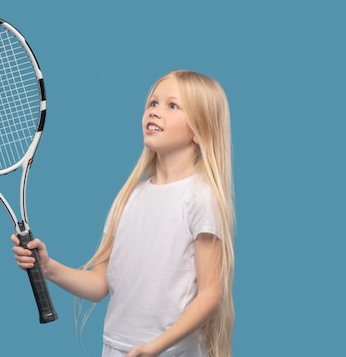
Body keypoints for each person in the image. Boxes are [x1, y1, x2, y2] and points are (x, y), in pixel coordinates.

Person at [12, 70, 235, 357]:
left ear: (198, 130)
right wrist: (48, 266)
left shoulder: (200, 199)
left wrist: (154, 347)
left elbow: (211, 295)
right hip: (117, 348)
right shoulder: (131, 197)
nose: (155, 112)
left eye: (172, 106)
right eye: (153, 103)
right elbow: (100, 284)